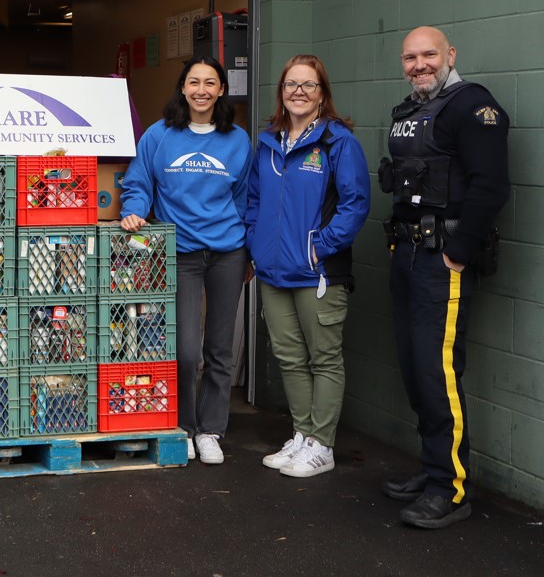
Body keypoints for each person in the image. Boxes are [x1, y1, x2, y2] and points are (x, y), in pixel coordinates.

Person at [378, 26, 509, 529]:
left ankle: (450, 488)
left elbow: (490, 186)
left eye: (429, 54)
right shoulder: (411, 110)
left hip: (441, 261)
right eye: (410, 58)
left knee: (438, 374)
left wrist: (458, 253)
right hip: (407, 254)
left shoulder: (474, 106)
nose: (419, 65)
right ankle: (434, 466)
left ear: (450, 54)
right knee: (416, 371)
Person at [120, 56, 252, 465]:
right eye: (194, 82)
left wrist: (248, 251)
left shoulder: (238, 140)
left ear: (221, 90)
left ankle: (211, 430)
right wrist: (134, 210)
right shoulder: (159, 135)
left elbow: (245, 199)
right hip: (181, 252)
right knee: (186, 349)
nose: (201, 90)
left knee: (219, 348)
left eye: (210, 83)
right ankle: (185, 427)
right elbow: (139, 181)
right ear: (182, 87)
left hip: (228, 252)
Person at [245, 55, 370, 478]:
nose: (298, 92)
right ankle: (301, 436)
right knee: (288, 356)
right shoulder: (268, 142)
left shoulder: (338, 143)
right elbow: (254, 200)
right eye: (291, 84)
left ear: (322, 93)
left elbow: (355, 204)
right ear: (281, 91)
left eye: (308, 85)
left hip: (318, 273)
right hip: (272, 271)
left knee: (324, 358)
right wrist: (255, 243)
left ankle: (322, 444)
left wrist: (321, 248)